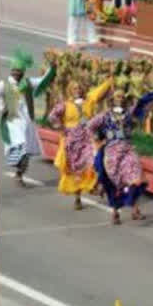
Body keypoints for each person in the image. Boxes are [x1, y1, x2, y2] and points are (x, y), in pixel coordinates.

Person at [91, 88, 153, 225]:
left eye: (122, 97)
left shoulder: (128, 114)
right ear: (112, 99)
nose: (121, 99)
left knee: (136, 179)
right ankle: (115, 211)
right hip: (112, 152)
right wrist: (98, 140)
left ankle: (135, 208)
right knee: (115, 183)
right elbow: (91, 126)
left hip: (127, 150)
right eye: (118, 97)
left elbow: (142, 107)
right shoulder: (104, 116)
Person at [48, 75, 114, 210]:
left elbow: (100, 91)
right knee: (75, 168)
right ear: (70, 90)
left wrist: (109, 81)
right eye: (75, 88)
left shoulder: (89, 100)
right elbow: (52, 116)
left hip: (87, 139)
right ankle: (77, 197)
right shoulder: (65, 105)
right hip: (72, 141)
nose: (78, 90)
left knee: (93, 163)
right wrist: (61, 128)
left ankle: (94, 186)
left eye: (79, 88)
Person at [0, 51, 56, 186]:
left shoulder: (28, 83)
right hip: (12, 122)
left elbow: (43, 81)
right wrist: (2, 107)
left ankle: (19, 173)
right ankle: (18, 168)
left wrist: (52, 68)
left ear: (23, 72)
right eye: (14, 70)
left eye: (19, 71)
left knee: (26, 151)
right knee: (21, 145)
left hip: (27, 122)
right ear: (11, 71)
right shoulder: (4, 84)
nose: (16, 73)